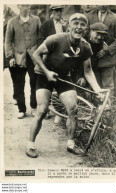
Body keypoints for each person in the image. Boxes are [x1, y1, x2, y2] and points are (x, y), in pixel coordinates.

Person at [26, 13, 107, 158]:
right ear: (69, 26)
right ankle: (30, 145)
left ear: (86, 29)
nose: (78, 27)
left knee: (73, 108)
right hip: (44, 75)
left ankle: (70, 144)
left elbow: (88, 71)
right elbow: (36, 55)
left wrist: (98, 89)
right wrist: (47, 72)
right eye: (75, 24)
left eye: (82, 25)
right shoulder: (56, 39)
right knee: (42, 110)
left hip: (63, 76)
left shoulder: (85, 47)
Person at [5, 5, 41, 119]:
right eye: (22, 6)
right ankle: (21, 109)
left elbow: (40, 38)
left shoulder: (36, 20)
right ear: (19, 7)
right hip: (18, 57)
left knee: (34, 82)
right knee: (19, 84)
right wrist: (10, 57)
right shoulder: (12, 22)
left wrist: (40, 53)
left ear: (29, 7)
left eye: (27, 5)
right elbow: (8, 41)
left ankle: (34, 107)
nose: (25, 9)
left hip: (33, 56)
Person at [87, 5, 116, 96]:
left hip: (108, 59)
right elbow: (85, 33)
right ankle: (97, 106)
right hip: (93, 58)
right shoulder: (88, 16)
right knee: (95, 85)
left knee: (108, 86)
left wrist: (108, 50)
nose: (102, 5)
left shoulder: (115, 18)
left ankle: (107, 107)